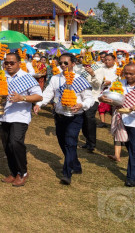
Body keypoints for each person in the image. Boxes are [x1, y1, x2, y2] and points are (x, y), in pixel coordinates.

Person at [34, 53, 93, 185]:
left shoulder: (80, 80)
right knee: (62, 142)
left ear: (73, 64)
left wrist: (81, 105)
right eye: (60, 63)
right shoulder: (55, 79)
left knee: (70, 142)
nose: (62, 65)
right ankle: (76, 165)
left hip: (75, 116)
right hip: (60, 115)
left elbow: (89, 98)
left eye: (66, 63)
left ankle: (67, 173)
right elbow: (48, 93)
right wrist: (39, 104)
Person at [0, 52, 43, 187]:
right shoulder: (1, 76)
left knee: (15, 142)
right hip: (3, 115)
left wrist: (22, 98)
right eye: (6, 63)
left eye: (12, 63)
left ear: (19, 63)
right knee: (7, 145)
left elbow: (39, 96)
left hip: (20, 116)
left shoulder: (26, 77)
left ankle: (23, 172)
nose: (9, 65)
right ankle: (13, 172)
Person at [88, 53, 118, 129]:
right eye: (106, 60)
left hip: (114, 89)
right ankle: (102, 122)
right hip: (102, 89)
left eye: (109, 60)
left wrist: (111, 82)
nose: (107, 61)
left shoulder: (117, 68)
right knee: (102, 106)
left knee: (113, 107)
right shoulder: (101, 67)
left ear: (114, 60)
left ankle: (114, 122)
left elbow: (119, 79)